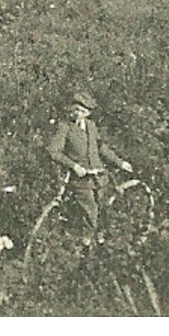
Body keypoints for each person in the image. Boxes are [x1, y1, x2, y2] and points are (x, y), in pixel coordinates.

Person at [46, 90, 133, 246]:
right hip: (81, 180)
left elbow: (101, 148)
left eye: (82, 111)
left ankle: (101, 244)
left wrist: (120, 162)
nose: (78, 114)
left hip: (100, 177)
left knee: (105, 209)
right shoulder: (64, 127)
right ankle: (85, 247)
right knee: (90, 212)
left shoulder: (92, 127)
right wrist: (74, 166)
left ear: (88, 114)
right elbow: (54, 152)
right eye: (76, 110)